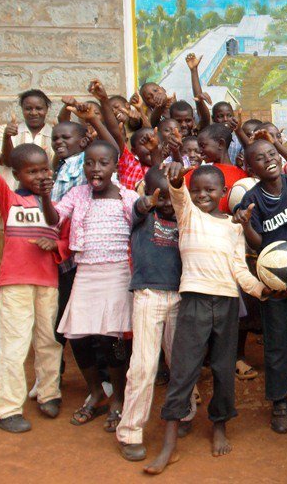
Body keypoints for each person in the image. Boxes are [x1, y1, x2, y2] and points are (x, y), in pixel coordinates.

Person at [144, 163, 267, 475]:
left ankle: (220, 425)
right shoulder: (188, 215)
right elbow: (179, 195)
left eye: (210, 190)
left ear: (223, 192)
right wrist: (176, 181)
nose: (202, 195)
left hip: (226, 303)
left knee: (224, 369)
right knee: (183, 371)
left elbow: (239, 268)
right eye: (196, 189)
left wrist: (260, 290)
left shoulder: (234, 226)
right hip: (194, 302)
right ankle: (169, 443)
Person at [42, 140, 139, 433]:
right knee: (78, 335)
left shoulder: (128, 197)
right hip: (86, 272)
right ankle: (96, 392)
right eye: (89, 163)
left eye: (103, 163)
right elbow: (55, 218)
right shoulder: (78, 194)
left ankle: (118, 398)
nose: (95, 169)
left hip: (118, 273)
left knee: (112, 339)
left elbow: (140, 227)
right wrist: (45, 197)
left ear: (114, 166)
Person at [0, 145, 64, 433]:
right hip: (15, 283)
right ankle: (6, 409)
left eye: (44, 169)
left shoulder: (57, 205)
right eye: (32, 171)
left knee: (49, 340)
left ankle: (49, 393)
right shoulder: (10, 200)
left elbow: (62, 235)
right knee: (14, 343)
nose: (40, 176)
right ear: (16, 175)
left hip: (48, 282)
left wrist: (56, 244)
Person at [234, 137, 287, 433]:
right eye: (260, 158)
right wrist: (246, 223)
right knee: (276, 341)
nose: (268, 159)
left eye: (271, 153)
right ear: (250, 168)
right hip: (272, 281)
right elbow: (257, 243)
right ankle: (280, 400)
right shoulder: (252, 198)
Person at [116, 168, 195, 462]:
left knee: (180, 361)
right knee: (143, 365)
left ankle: (184, 413)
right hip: (148, 295)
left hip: (180, 295)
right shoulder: (143, 216)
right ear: (148, 194)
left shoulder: (185, 217)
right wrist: (147, 202)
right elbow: (138, 207)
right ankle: (130, 432)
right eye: (159, 196)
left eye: (171, 196)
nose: (166, 203)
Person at [0, 89, 54, 192]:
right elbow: (7, 162)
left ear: (46, 109)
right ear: (22, 109)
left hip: (46, 192)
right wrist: (7, 137)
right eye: (28, 108)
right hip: (13, 192)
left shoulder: (54, 134)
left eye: (39, 108)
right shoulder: (6, 130)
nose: (33, 113)